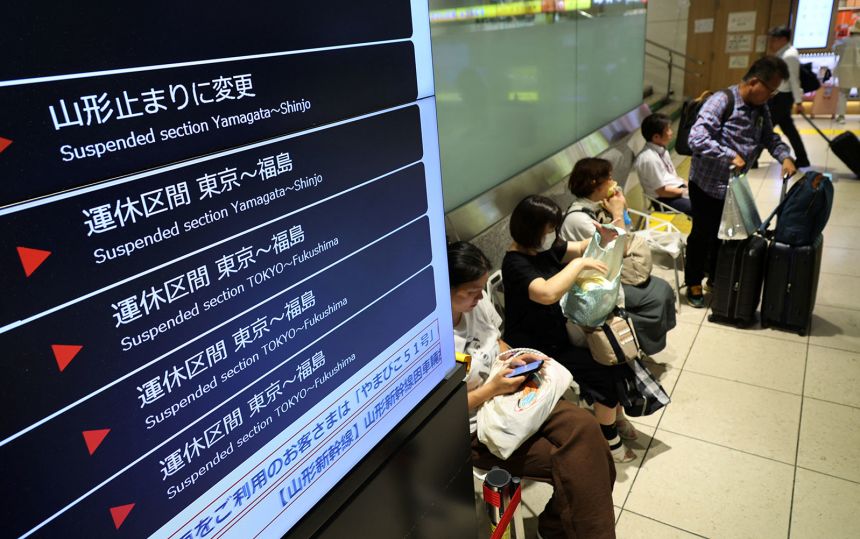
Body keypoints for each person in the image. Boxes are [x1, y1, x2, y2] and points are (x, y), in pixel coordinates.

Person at [449, 241, 617, 539]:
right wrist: (493, 389)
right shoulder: (432, 341)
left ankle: (556, 527)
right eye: (471, 292)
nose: (480, 297)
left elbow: (496, 341)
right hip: (480, 428)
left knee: (588, 429)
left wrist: (515, 358)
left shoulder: (478, 304)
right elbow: (442, 414)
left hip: (513, 398)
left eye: (482, 288)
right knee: (586, 465)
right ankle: (556, 529)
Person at [501, 195, 638, 463]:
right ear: (532, 231)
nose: (554, 236)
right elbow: (547, 293)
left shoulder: (543, 249)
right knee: (605, 377)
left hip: (559, 334)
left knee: (618, 361)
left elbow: (582, 247)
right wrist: (578, 265)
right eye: (549, 231)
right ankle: (608, 436)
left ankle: (614, 415)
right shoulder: (516, 263)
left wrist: (603, 235)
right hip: (536, 348)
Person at [684, 56, 797, 308]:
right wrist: (729, 155)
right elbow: (697, 137)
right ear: (755, 82)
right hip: (707, 185)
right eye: (771, 89)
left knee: (726, 235)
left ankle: (715, 277)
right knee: (703, 235)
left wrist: (785, 156)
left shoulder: (760, 108)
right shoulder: (721, 101)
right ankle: (693, 281)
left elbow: (769, 137)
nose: (771, 95)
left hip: (735, 186)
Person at [561, 157, 677, 355]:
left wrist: (621, 213)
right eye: (609, 177)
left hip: (608, 272)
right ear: (595, 183)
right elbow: (619, 250)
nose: (613, 182)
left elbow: (627, 231)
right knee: (656, 296)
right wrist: (617, 211)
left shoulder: (597, 205)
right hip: (592, 285)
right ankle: (632, 342)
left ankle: (641, 343)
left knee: (663, 288)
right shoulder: (579, 219)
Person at [766, 26, 810, 168]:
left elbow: (794, 80)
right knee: (788, 129)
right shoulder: (782, 53)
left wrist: (798, 102)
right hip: (780, 96)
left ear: (783, 39)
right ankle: (802, 158)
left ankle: (752, 159)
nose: (771, 42)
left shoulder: (789, 55)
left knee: (765, 127)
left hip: (782, 97)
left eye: (774, 39)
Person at [634, 113, 692, 214]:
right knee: (701, 206)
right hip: (664, 199)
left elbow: (673, 177)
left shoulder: (661, 149)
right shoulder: (649, 159)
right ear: (656, 137)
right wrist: (686, 192)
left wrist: (691, 187)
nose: (671, 133)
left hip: (675, 190)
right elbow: (662, 191)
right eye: (668, 130)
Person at [834, 21, 860, 124]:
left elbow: (835, 50)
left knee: (843, 94)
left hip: (845, 72)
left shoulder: (844, 41)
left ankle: (841, 117)